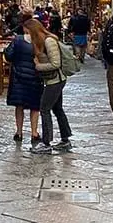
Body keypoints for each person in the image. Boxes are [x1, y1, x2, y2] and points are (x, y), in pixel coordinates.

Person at [24, 18, 72, 154]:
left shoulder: (49, 41)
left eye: (28, 33)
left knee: (44, 109)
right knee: (57, 109)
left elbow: (56, 63)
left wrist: (38, 66)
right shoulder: (41, 42)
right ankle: (65, 139)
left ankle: (46, 142)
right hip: (53, 80)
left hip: (55, 81)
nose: (27, 36)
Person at [3, 24, 43, 146]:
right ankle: (34, 133)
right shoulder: (39, 41)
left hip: (18, 77)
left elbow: (8, 56)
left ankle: (19, 132)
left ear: (25, 28)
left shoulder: (18, 40)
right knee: (34, 107)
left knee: (19, 106)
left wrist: (6, 50)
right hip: (34, 77)